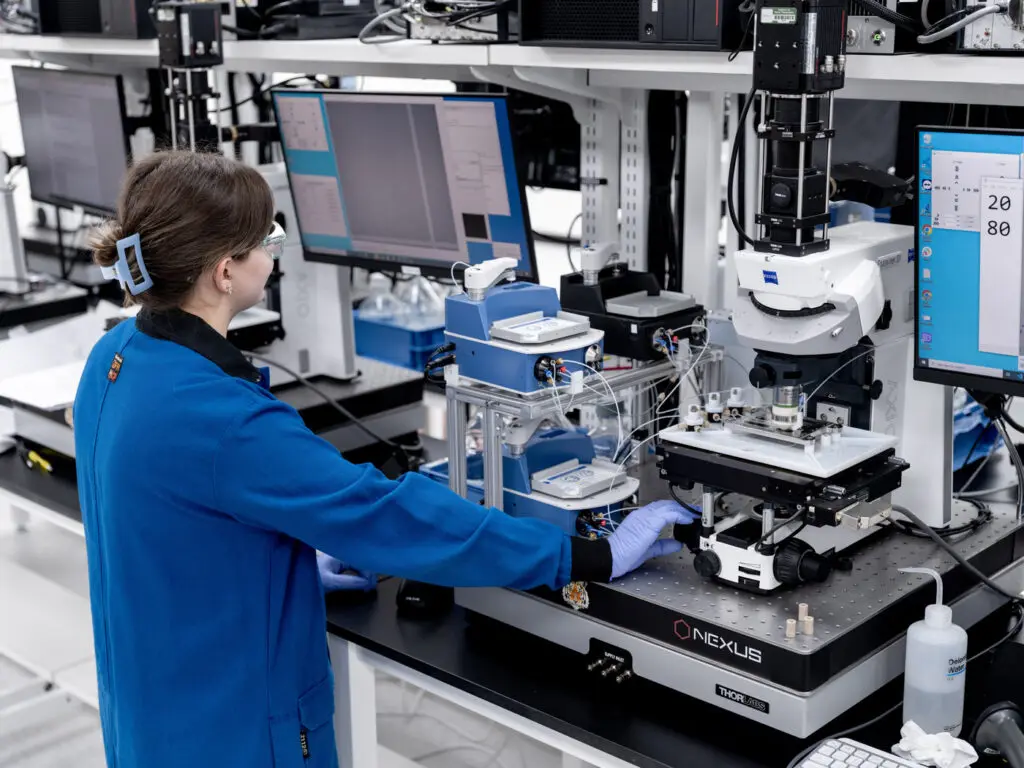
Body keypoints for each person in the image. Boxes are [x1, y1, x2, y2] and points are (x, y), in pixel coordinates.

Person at [74, 150, 698, 768]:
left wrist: (279, 560)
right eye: (266, 239)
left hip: (152, 715)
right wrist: (586, 553)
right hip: (231, 732)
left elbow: (166, 526)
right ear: (224, 272)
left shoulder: (116, 356)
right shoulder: (228, 423)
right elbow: (385, 514)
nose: (274, 251)